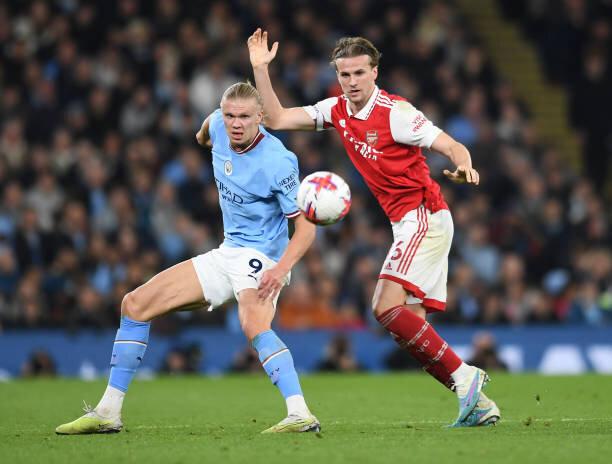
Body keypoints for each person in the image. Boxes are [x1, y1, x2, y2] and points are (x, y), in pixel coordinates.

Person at [248, 29, 500, 427]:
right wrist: (261, 69)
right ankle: (477, 402)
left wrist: (465, 164)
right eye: (344, 75)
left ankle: (467, 375)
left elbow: (450, 145)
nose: (351, 83)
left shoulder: (397, 114)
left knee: (384, 306)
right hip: (407, 224)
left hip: (424, 216)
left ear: (374, 72)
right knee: (410, 330)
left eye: (359, 74)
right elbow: (277, 118)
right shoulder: (337, 110)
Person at [55, 82, 320, 435]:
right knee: (135, 304)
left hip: (262, 256)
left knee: (254, 322)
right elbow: (204, 135)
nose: (236, 124)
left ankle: (299, 412)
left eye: (244, 117)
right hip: (227, 252)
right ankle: (108, 411)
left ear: (262, 117)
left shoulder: (279, 161)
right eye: (229, 116)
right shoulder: (216, 126)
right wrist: (207, 135)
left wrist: (281, 268)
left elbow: (305, 229)